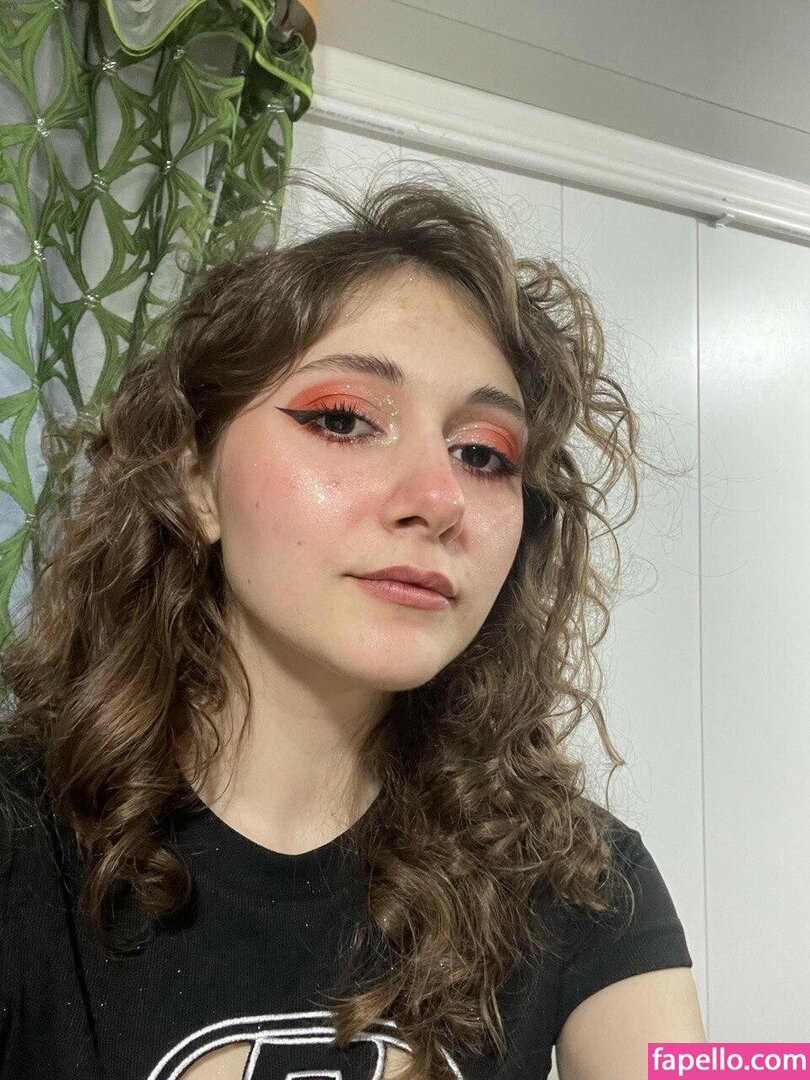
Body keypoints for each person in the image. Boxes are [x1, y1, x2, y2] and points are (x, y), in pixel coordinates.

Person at [0, 172, 706, 1080]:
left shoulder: (584, 877)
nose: (439, 499)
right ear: (196, 481)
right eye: (342, 420)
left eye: (484, 454)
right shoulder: (23, 845)